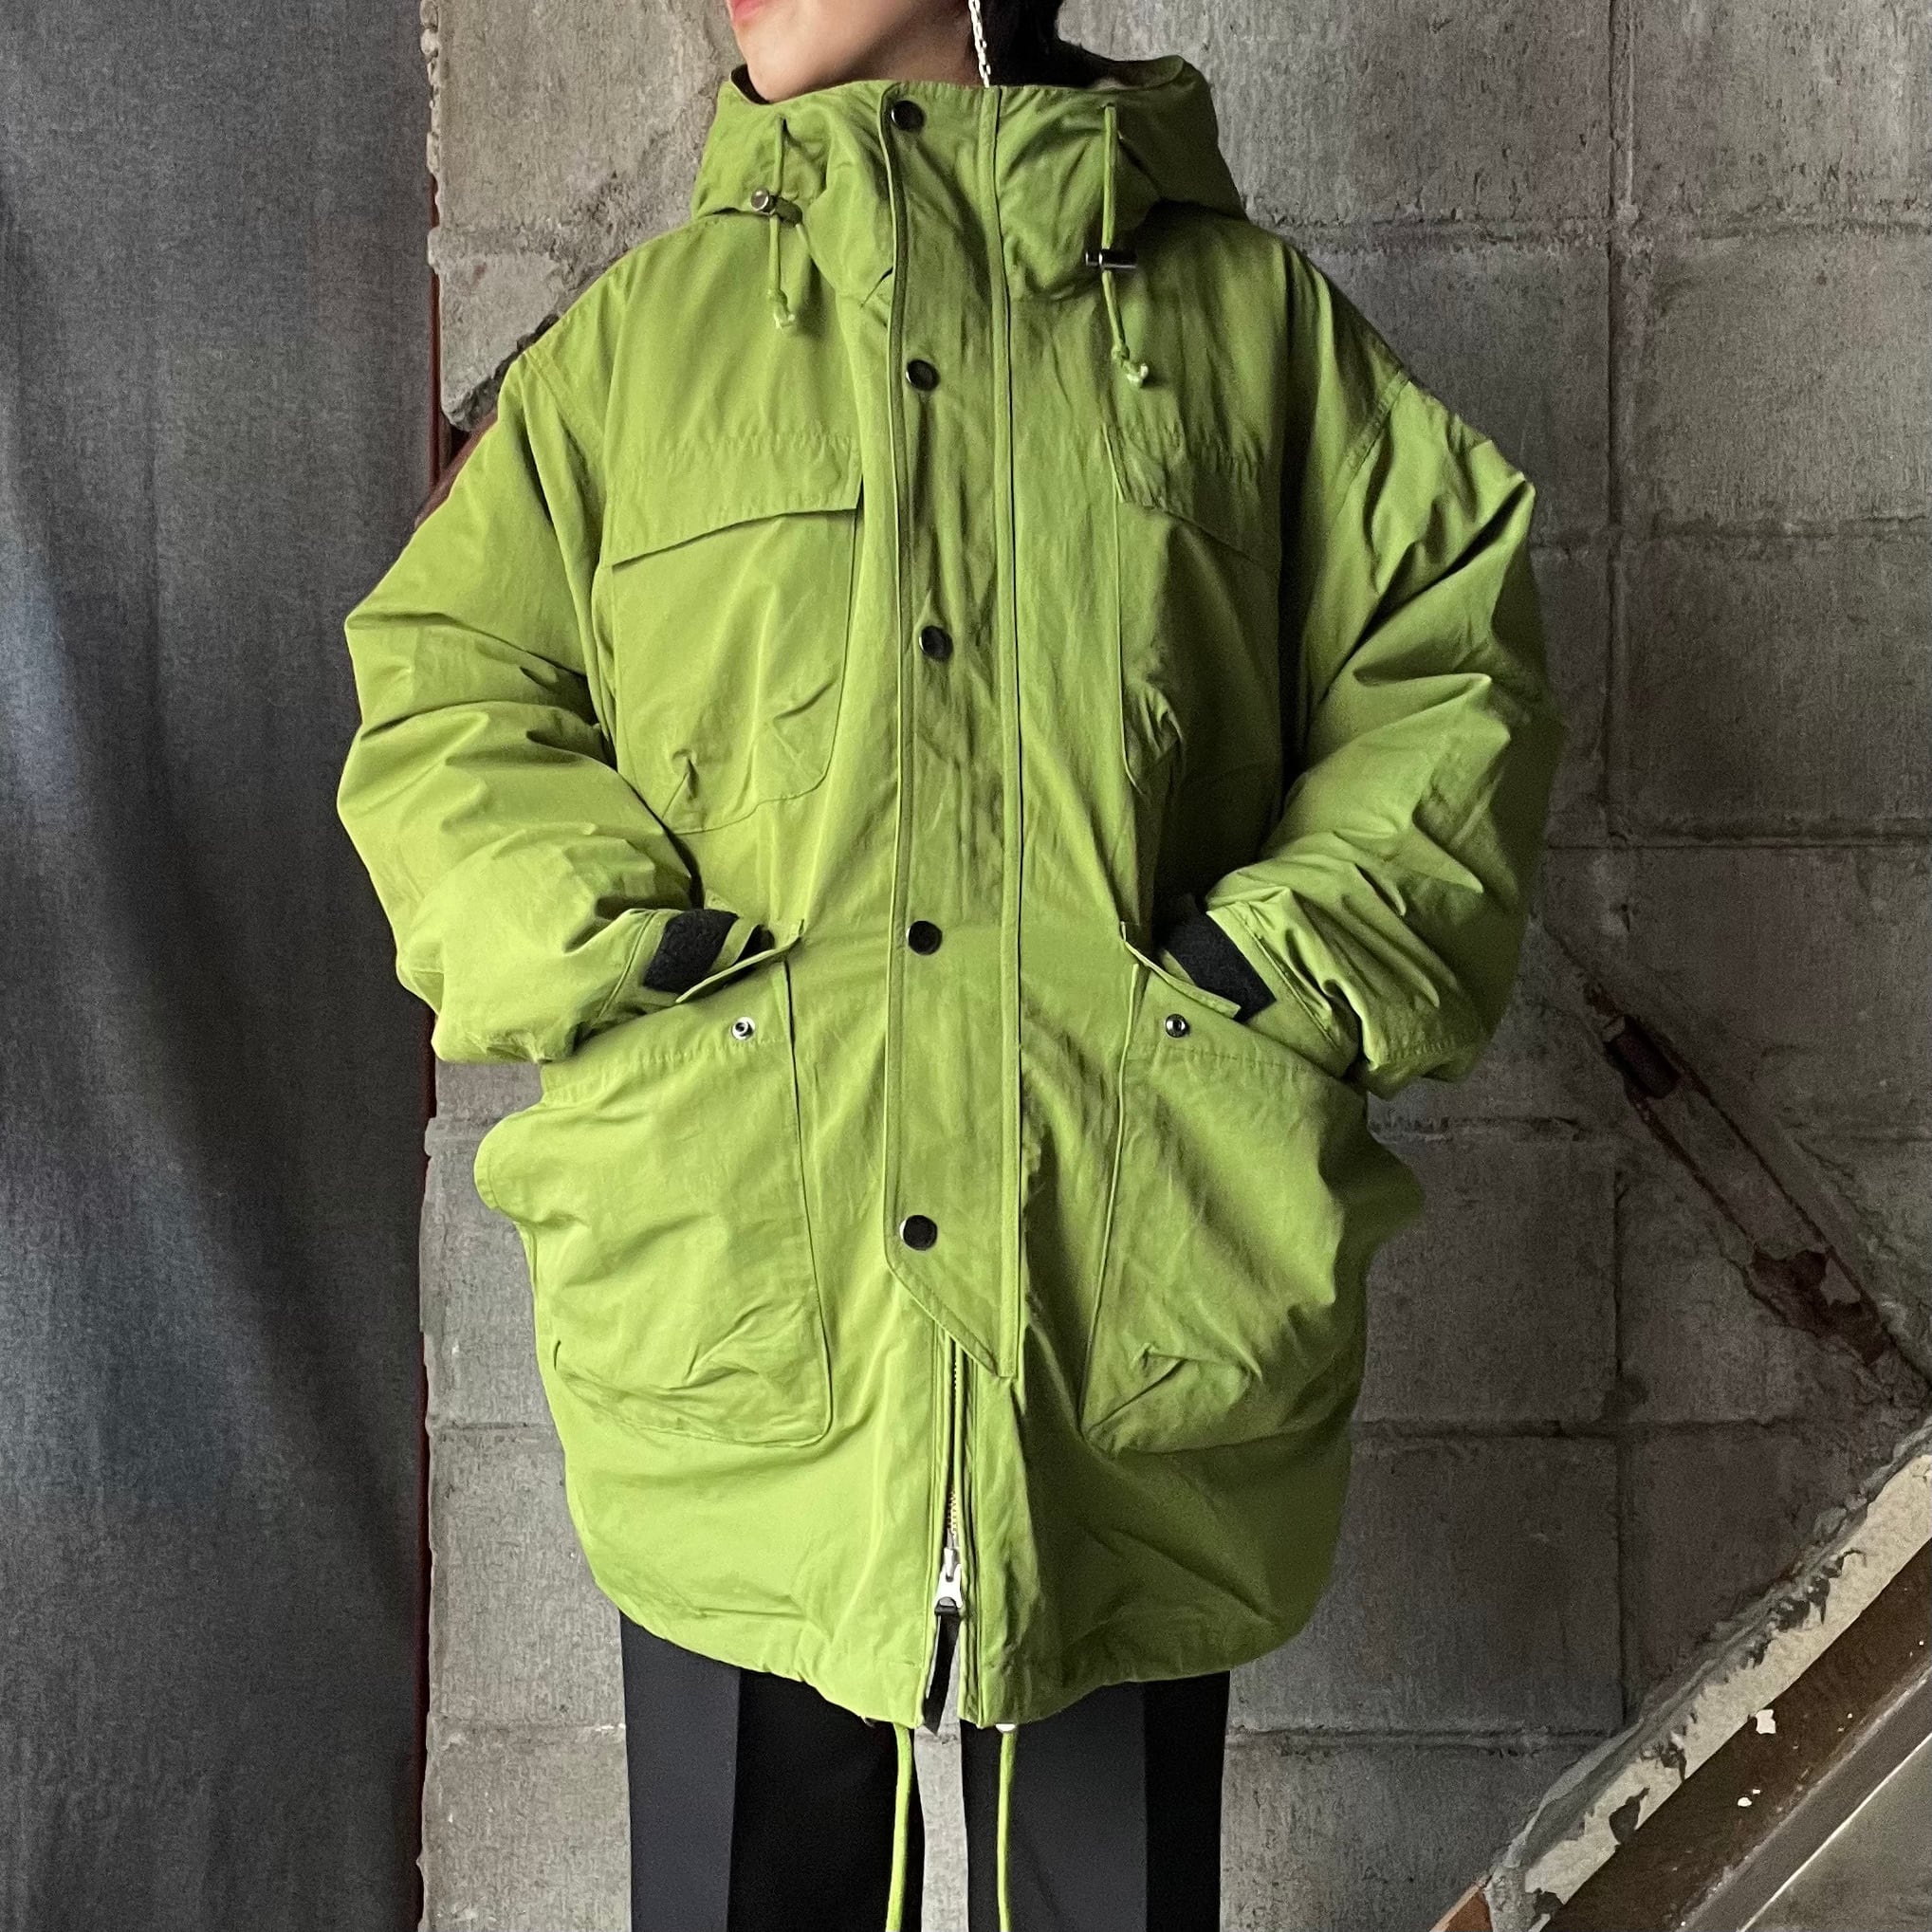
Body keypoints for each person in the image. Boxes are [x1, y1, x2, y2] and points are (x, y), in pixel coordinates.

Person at [334, 0, 1566, 1923]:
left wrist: (1256, 991)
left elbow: (1448, 676)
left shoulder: (1253, 334)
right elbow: (443, 706)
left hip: (1128, 1282)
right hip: (745, 1285)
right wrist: (639, 971)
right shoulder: (634, 355)